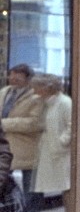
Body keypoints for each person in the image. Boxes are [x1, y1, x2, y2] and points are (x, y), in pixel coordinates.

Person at [31, 74, 72, 212]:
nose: (34, 91)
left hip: (63, 152)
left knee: (67, 186)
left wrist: (63, 141)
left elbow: (71, 124)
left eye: (37, 87)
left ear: (46, 88)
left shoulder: (65, 102)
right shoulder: (48, 103)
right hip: (52, 150)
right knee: (63, 186)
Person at [0, 62, 42, 201]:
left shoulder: (37, 97)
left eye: (17, 78)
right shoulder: (4, 92)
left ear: (28, 79)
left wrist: (4, 124)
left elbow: (34, 123)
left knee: (30, 187)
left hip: (26, 149)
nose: (13, 80)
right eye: (11, 77)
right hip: (5, 147)